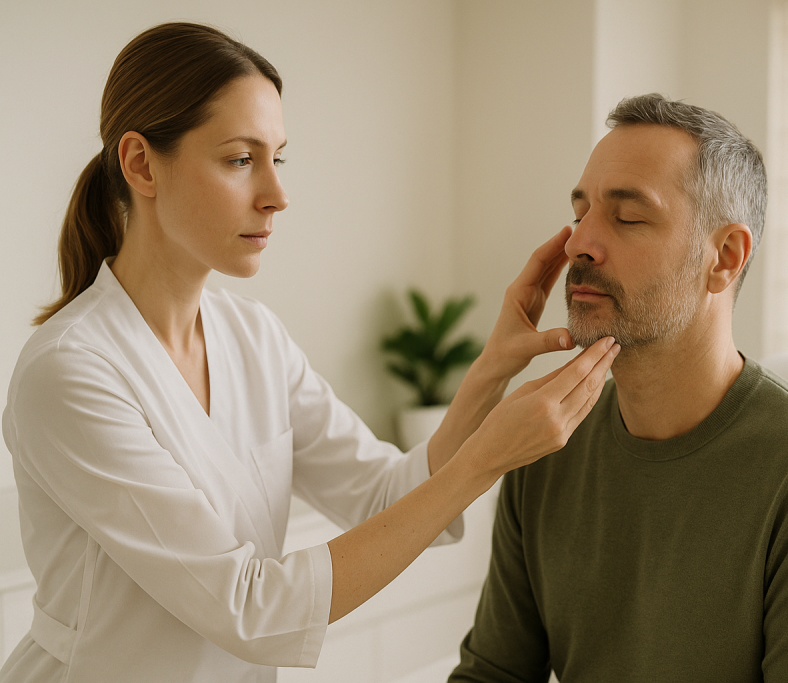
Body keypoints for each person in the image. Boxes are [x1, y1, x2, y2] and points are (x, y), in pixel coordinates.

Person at [0, 22, 620, 683]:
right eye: (240, 160)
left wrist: (492, 368)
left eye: (278, 158)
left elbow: (387, 497)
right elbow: (250, 610)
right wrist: (487, 457)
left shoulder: (253, 338)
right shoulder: (69, 372)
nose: (277, 195)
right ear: (140, 164)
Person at [450, 95, 788, 682]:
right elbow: (492, 674)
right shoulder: (545, 442)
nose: (579, 244)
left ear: (725, 258)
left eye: (628, 217)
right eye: (580, 213)